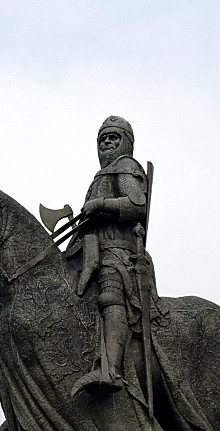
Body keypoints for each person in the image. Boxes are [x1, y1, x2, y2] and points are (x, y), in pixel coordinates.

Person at [67, 116, 153, 397]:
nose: (106, 143)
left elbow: (137, 204)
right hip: (90, 250)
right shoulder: (99, 177)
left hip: (117, 251)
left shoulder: (125, 166)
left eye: (113, 138)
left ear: (125, 142)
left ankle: (112, 371)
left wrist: (100, 204)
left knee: (110, 296)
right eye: (102, 139)